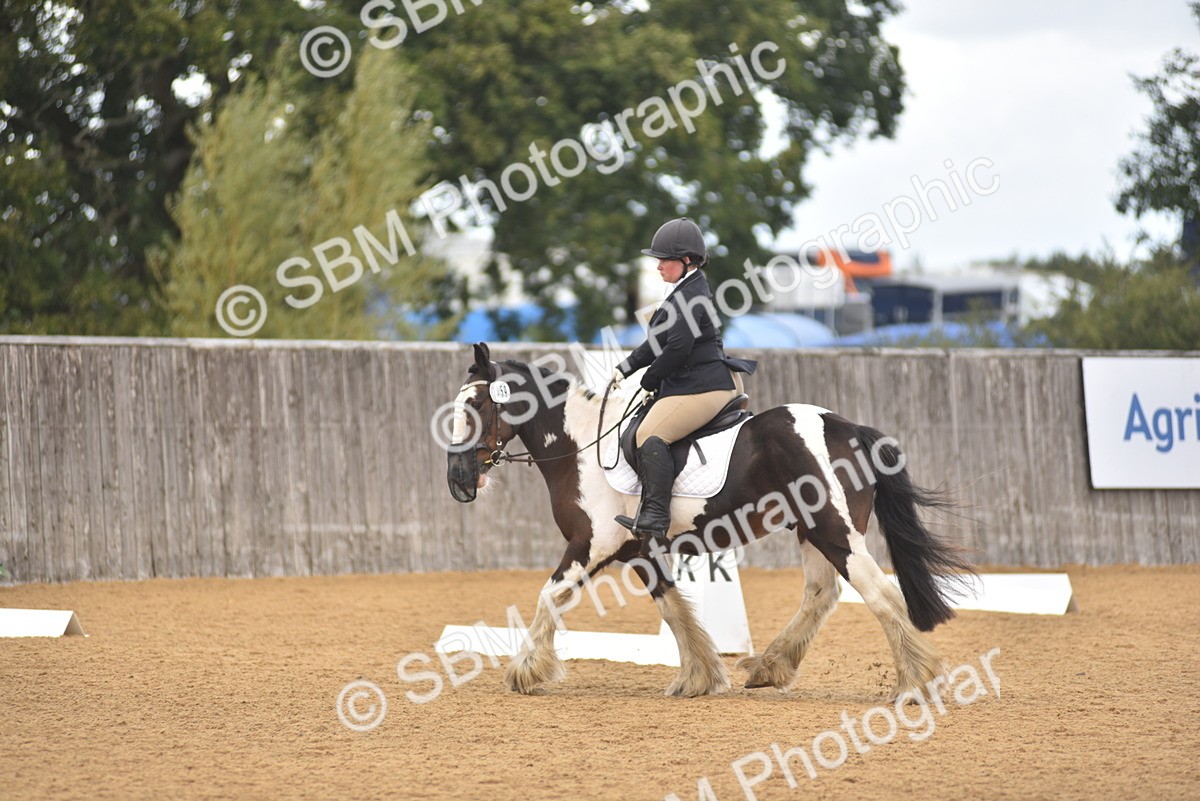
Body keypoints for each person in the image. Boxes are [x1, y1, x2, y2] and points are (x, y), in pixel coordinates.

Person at [610, 217, 757, 554]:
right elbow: (657, 343)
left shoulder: (690, 295)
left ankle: (656, 516)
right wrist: (624, 368)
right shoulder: (680, 290)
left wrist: (648, 380)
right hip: (693, 382)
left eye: (665, 260)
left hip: (706, 386)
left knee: (649, 435)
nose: (658, 266)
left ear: (687, 260)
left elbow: (677, 349)